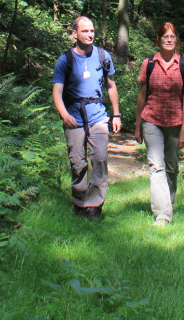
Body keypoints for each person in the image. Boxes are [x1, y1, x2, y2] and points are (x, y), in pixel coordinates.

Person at [52, 15, 121, 219]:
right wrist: (64, 115)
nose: (90, 34)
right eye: (85, 31)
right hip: (73, 116)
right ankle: (80, 203)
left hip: (98, 116)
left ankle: (95, 205)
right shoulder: (65, 60)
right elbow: (57, 92)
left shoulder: (102, 55)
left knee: (99, 158)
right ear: (75, 34)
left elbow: (111, 86)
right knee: (78, 163)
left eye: (92, 31)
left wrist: (116, 115)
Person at [134, 22, 184, 226]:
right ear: (158, 40)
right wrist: (137, 125)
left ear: (176, 41)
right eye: (165, 37)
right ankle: (162, 214)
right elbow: (142, 95)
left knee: (171, 167)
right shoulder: (149, 64)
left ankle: (168, 203)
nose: (169, 40)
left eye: (172, 37)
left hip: (175, 122)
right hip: (151, 120)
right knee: (156, 166)